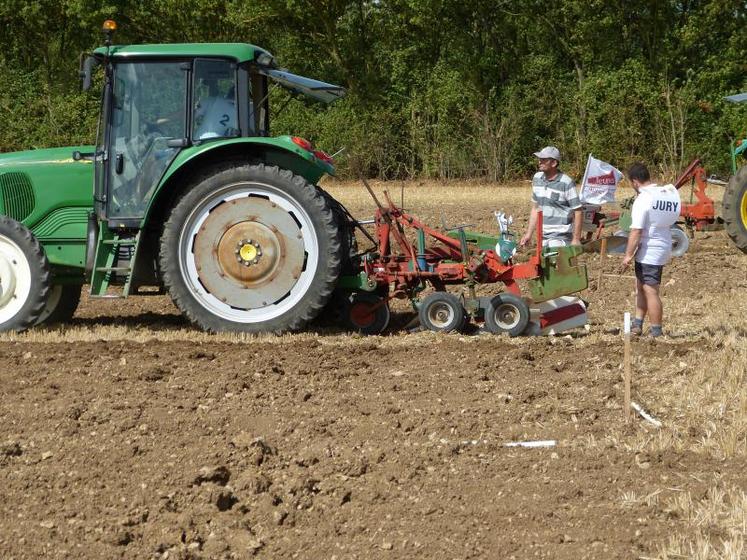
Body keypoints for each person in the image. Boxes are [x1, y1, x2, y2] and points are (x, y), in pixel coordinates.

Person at [621, 162, 681, 337]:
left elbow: (636, 230)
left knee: (650, 290)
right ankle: (638, 323)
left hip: (651, 250)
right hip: (660, 245)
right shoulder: (664, 193)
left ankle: (656, 330)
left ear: (634, 181)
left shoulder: (643, 199)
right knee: (640, 285)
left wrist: (627, 255)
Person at [520, 146, 583, 248]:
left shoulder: (566, 182)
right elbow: (536, 208)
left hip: (560, 237)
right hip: (542, 236)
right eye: (540, 159)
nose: (540, 162)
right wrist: (529, 234)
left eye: (544, 160)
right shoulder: (537, 178)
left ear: (554, 163)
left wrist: (576, 239)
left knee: (553, 259)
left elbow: (578, 211)